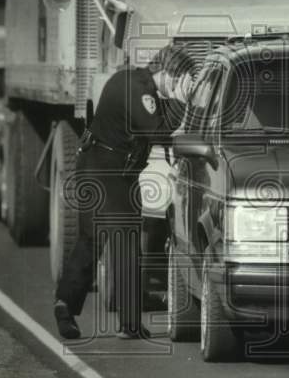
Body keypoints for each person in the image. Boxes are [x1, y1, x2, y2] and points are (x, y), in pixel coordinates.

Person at [53, 44, 195, 340]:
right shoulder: (140, 92)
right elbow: (159, 134)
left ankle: (65, 304)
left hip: (102, 167)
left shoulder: (131, 81)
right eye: (182, 80)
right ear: (169, 74)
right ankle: (129, 323)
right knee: (125, 242)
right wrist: (186, 101)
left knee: (92, 238)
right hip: (110, 172)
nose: (183, 86)